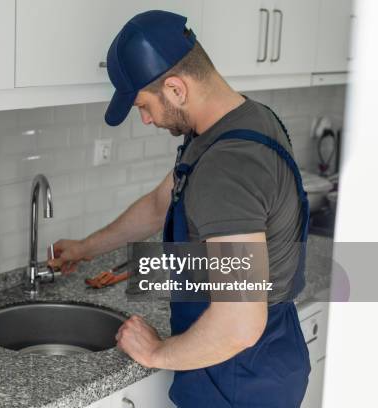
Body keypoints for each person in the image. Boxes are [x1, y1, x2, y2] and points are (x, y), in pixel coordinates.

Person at [48, 10, 311, 408]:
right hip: (264, 356)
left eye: (143, 104)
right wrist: (86, 248)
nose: (146, 119)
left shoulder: (227, 166)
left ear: (175, 88)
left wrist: (155, 352)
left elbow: (238, 325)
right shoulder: (242, 121)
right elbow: (160, 203)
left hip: (236, 373)